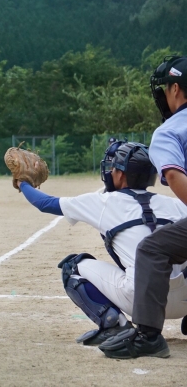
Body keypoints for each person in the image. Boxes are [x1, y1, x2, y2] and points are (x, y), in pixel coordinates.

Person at [17, 141, 187, 347]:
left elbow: (45, 203)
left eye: (113, 168)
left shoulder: (104, 202)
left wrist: (23, 183)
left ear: (120, 175)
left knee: (72, 267)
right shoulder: (176, 204)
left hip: (141, 303)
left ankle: (115, 325)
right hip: (184, 300)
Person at [101, 56, 187, 359]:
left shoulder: (170, 130)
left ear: (175, 89)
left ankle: (148, 335)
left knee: (153, 248)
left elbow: (173, 174)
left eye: (165, 88)